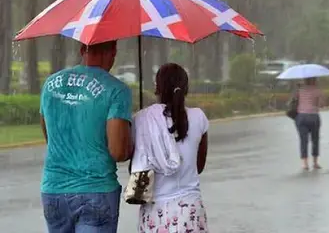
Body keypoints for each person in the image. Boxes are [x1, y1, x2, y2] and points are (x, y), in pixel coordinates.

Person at [40, 41, 133, 233]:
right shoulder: (116, 90)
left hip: (53, 190)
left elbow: (50, 136)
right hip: (96, 190)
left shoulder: (50, 85)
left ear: (83, 50)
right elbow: (118, 152)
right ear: (114, 51)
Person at [133, 63, 209, 233]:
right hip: (190, 210)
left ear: (157, 89)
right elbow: (199, 166)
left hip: (154, 211)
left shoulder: (142, 119)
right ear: (185, 88)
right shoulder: (199, 117)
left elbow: (136, 164)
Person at [295, 77, 324, 170]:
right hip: (313, 117)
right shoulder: (317, 90)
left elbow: (294, 100)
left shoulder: (300, 90)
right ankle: (315, 162)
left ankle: (305, 163)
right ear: (315, 80)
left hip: (301, 117)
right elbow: (321, 105)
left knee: (303, 140)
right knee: (315, 140)